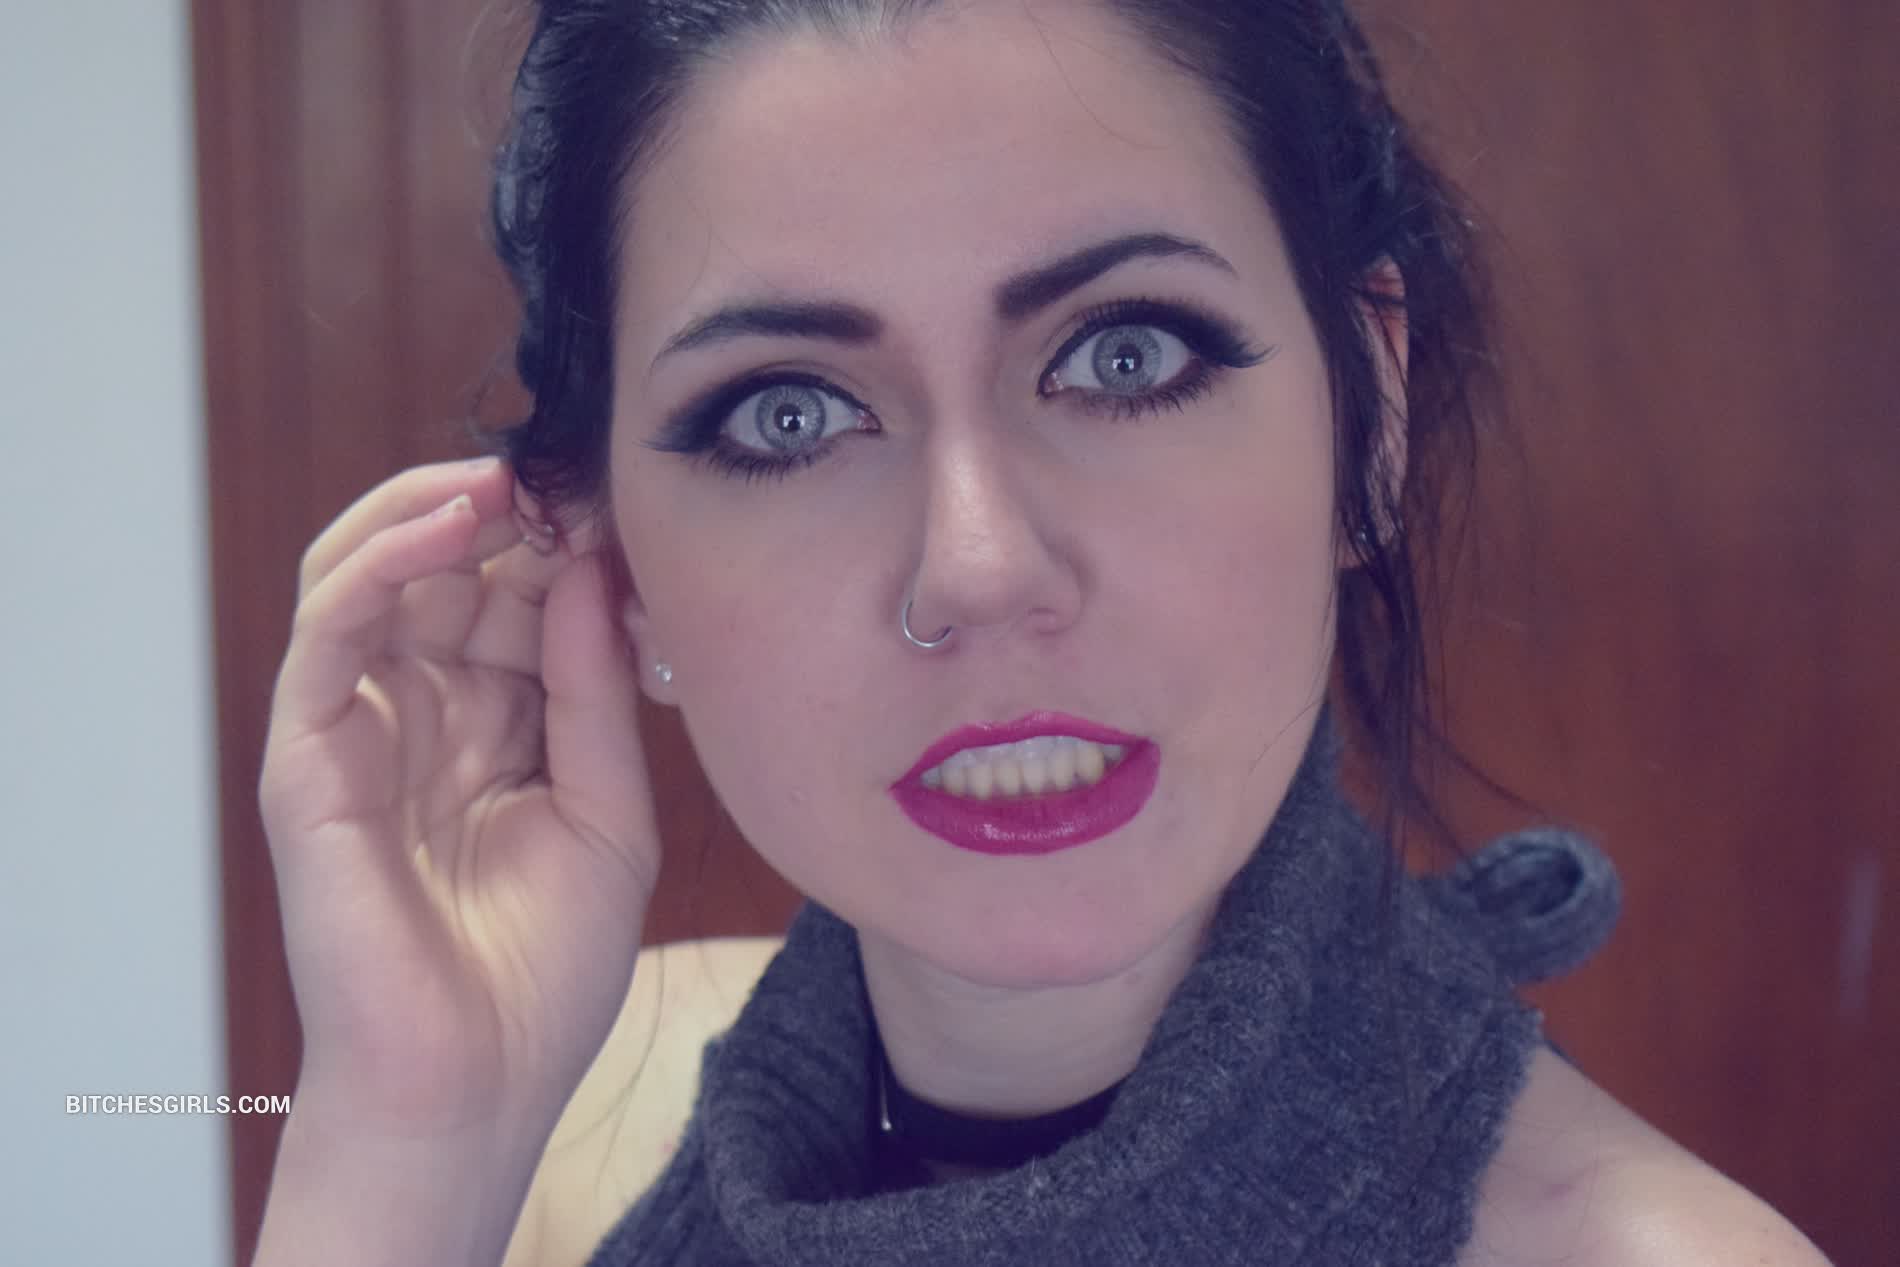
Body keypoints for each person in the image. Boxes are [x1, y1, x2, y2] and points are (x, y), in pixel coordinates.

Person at [249, 0, 1835, 1263]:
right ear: (619, 573)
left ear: (1370, 417)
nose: (982, 567)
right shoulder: (565, 1130)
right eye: (787, 413)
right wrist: (408, 1146)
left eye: (1127, 355)